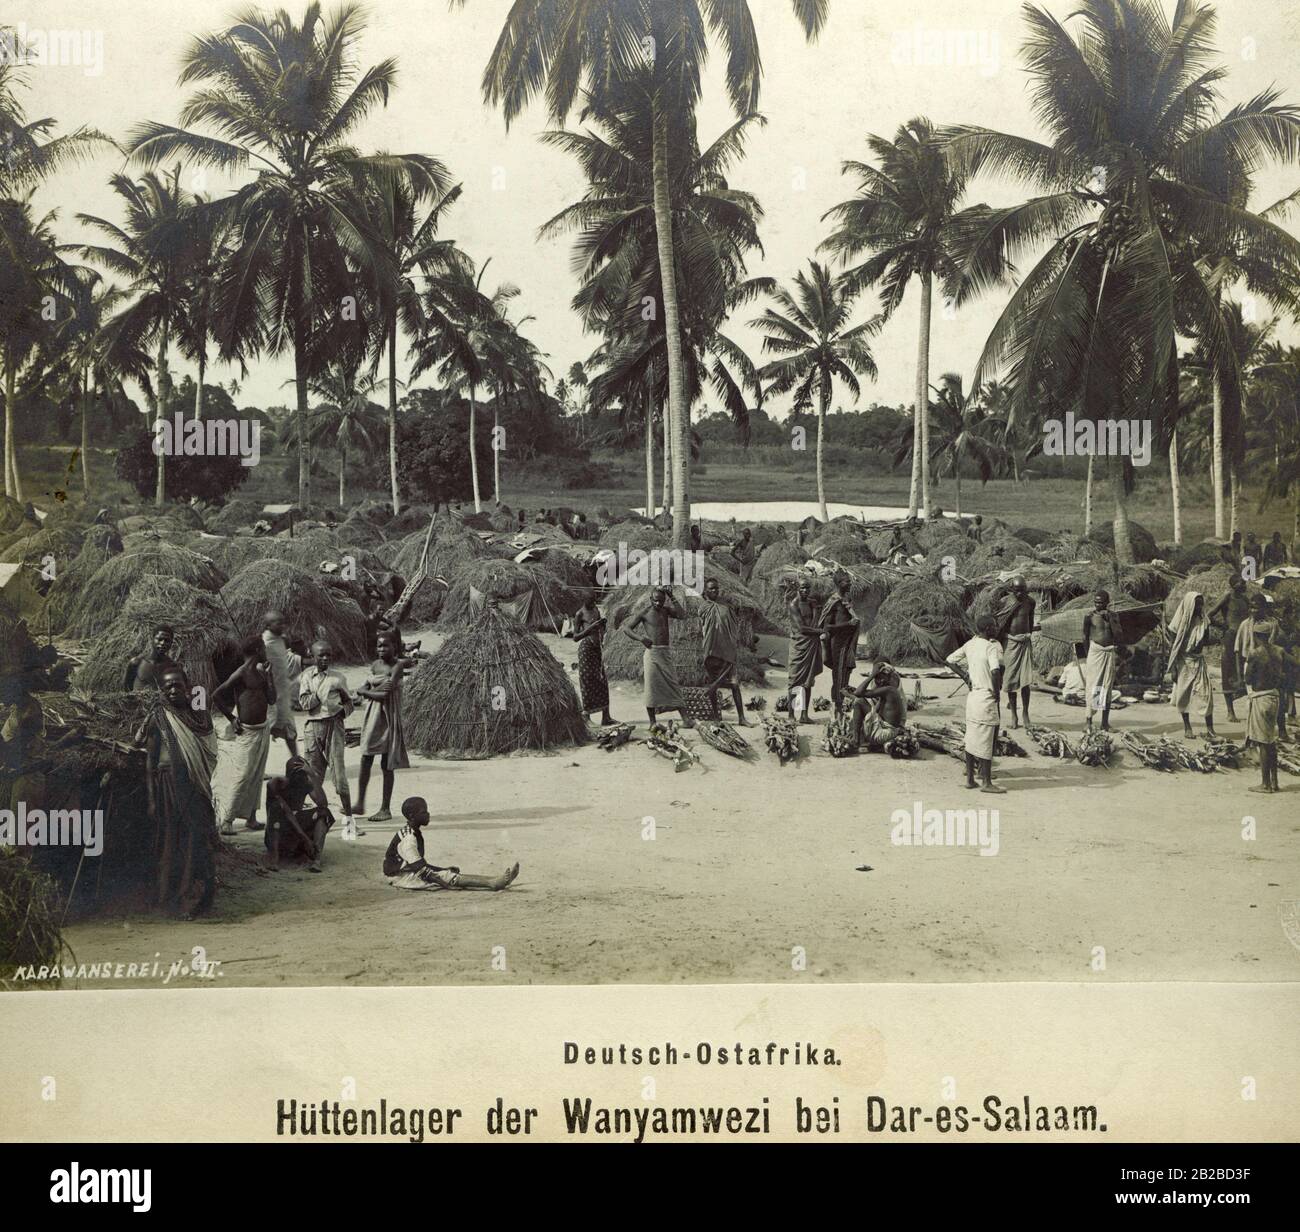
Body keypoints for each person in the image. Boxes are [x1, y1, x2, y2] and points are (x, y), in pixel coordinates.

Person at [143, 666, 218, 919]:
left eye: (178, 685)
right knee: (169, 841)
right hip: (166, 785)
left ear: (188, 688)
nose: (173, 689)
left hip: (193, 787)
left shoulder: (197, 717)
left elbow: (209, 752)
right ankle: (166, 899)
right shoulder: (159, 717)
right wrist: (152, 799)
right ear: (162, 691)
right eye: (168, 686)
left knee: (193, 839)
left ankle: (190, 898)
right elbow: (150, 762)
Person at [383, 797, 520, 891]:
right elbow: (422, 870)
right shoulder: (408, 838)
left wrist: (442, 868)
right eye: (424, 812)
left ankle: (494, 880)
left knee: (446, 873)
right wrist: (444, 880)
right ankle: (492, 883)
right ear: (412, 816)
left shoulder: (412, 832)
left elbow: (419, 864)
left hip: (409, 870)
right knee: (447, 877)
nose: (428, 814)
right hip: (400, 877)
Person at [212, 635, 276, 835]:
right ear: (258, 650)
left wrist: (270, 676)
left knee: (257, 774)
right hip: (247, 732)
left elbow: (272, 700)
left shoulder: (261, 672)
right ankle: (227, 820)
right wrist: (231, 718)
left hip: (262, 728)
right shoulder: (240, 673)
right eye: (264, 647)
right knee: (242, 775)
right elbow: (216, 695)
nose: (266, 651)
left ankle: (251, 818)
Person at [354, 629, 413, 823]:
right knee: (365, 757)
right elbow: (372, 689)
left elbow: (383, 695)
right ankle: (360, 802)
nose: (381, 649)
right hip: (372, 716)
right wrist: (371, 691)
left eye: (385, 645)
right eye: (379, 645)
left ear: (395, 647)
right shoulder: (375, 665)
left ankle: (385, 808)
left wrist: (365, 692)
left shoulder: (398, 666)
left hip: (388, 716)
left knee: (386, 764)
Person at [298, 640, 356, 829]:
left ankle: (349, 821)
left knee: (339, 773)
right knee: (313, 775)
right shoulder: (306, 677)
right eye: (320, 655)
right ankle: (314, 819)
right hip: (313, 727)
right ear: (312, 657)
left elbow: (349, 703)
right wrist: (320, 693)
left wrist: (341, 712)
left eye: (328, 655)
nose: (325, 658)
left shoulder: (338, 678)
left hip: (334, 726)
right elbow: (304, 704)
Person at [946, 615, 1005, 793]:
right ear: (988, 629)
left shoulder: (970, 644)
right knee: (987, 738)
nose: (996, 629)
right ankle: (986, 782)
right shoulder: (991, 647)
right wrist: (996, 693)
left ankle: (970, 779)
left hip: (972, 697)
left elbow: (949, 660)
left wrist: (965, 676)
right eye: (994, 626)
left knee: (971, 738)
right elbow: (995, 672)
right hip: (986, 696)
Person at [623, 587, 690, 725]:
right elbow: (626, 628)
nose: (658, 604)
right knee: (651, 688)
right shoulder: (645, 612)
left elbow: (683, 615)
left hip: (665, 653)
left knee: (673, 684)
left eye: (661, 601)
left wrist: (672, 596)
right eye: (655, 601)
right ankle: (652, 722)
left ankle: (686, 719)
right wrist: (641, 638)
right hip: (652, 654)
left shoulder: (666, 611)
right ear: (650, 599)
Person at [1243, 642, 1300, 793]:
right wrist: (1283, 677)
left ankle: (1265, 784)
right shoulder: (1279, 651)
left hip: (1261, 698)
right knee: (1270, 741)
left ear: (1256, 636)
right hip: (1274, 697)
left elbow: (1248, 679)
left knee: (1262, 742)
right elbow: (1296, 663)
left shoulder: (1255, 653)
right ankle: (1274, 782)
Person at [264, 755, 334, 872]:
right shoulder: (275, 784)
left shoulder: (304, 784)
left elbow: (323, 804)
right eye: (296, 774)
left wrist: (312, 775)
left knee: (323, 813)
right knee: (276, 808)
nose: (299, 778)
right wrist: (305, 838)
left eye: (302, 774)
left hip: (296, 836)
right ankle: (274, 857)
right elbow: (287, 813)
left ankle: (316, 859)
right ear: (288, 774)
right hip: (279, 833)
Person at [700, 578, 751, 726]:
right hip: (711, 651)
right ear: (706, 591)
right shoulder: (703, 608)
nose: (714, 591)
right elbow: (704, 629)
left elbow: (734, 627)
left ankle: (742, 718)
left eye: (716, 588)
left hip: (728, 651)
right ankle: (716, 718)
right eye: (711, 589)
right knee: (713, 686)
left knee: (735, 684)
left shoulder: (727, 607)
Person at [1166, 591, 1216, 740]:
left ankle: (1210, 729)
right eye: (1197, 604)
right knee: (1183, 695)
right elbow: (1174, 646)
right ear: (1189, 605)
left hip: (1198, 660)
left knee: (1206, 695)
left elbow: (1205, 641)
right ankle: (1187, 727)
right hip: (1184, 661)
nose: (1199, 607)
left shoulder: (1203, 621)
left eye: (1201, 604)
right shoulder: (1178, 623)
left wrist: (1217, 639)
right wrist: (1174, 666)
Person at [262, 610, 305, 756]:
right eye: (278, 623)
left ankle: (297, 762)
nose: (283, 626)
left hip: (283, 695)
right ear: (268, 625)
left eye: (283, 623)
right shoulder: (264, 644)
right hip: (270, 698)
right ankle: (258, 769)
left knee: (290, 732)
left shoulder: (281, 641)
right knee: (263, 735)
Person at [1208, 573, 1250, 721]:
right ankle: (1230, 711)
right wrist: (1222, 625)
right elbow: (1209, 615)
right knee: (1228, 670)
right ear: (1234, 585)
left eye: (1244, 583)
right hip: (1231, 638)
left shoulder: (1245, 599)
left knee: (1246, 670)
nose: (1245, 585)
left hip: (1245, 638)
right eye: (1242, 583)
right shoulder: (1227, 597)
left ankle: (1246, 705)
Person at [998, 576, 1036, 728]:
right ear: (1012, 590)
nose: (1020, 594)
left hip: (1025, 643)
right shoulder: (1005, 602)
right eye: (1017, 591)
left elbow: (1031, 622)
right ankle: (1014, 715)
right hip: (1010, 643)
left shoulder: (1030, 602)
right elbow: (1000, 622)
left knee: (1026, 681)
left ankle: (1025, 713)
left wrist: (1026, 635)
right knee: (1011, 680)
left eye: (1023, 591)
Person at [820, 570, 859, 717]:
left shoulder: (846, 599)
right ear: (838, 583)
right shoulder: (834, 602)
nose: (849, 583)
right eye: (846, 581)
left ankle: (839, 707)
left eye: (849, 580)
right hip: (838, 644)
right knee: (838, 677)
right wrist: (848, 624)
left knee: (845, 675)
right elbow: (827, 627)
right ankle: (837, 708)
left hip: (848, 644)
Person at [572, 593, 614, 727]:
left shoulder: (596, 610)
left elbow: (601, 629)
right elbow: (575, 637)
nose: (593, 603)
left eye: (594, 600)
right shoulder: (579, 614)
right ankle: (587, 717)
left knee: (602, 681)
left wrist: (602, 625)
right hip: (586, 650)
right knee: (587, 681)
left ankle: (606, 717)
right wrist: (590, 628)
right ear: (584, 600)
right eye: (591, 601)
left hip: (597, 649)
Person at [786, 578, 823, 722]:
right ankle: (791, 715)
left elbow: (814, 623)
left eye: (807, 588)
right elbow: (802, 628)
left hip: (811, 643)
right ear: (797, 588)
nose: (805, 591)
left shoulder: (811, 603)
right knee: (794, 680)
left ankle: (804, 715)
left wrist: (815, 610)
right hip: (799, 645)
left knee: (808, 680)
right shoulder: (793, 604)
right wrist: (819, 631)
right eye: (802, 588)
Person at [848, 662, 908, 750]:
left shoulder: (890, 690)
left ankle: (856, 740)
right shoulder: (888, 691)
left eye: (882, 677)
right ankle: (861, 738)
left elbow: (858, 692)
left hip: (885, 733)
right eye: (877, 678)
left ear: (890, 677)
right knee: (862, 703)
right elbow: (875, 711)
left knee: (859, 702)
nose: (880, 681)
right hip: (887, 731)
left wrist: (872, 675)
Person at [1082, 591, 1120, 730]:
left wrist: (1110, 619)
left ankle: (1104, 723)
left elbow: (1118, 635)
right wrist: (1089, 655)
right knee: (1093, 686)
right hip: (1095, 652)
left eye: (1101, 602)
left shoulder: (1114, 616)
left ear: (1107, 603)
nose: (1098, 605)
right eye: (1096, 602)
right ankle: (1089, 721)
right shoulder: (1089, 617)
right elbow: (1085, 637)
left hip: (1108, 652)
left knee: (1106, 687)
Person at [124, 625, 176, 693]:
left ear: (171, 643)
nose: (163, 643)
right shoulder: (137, 663)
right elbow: (127, 690)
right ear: (152, 639)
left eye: (167, 641)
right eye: (159, 639)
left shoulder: (172, 667)